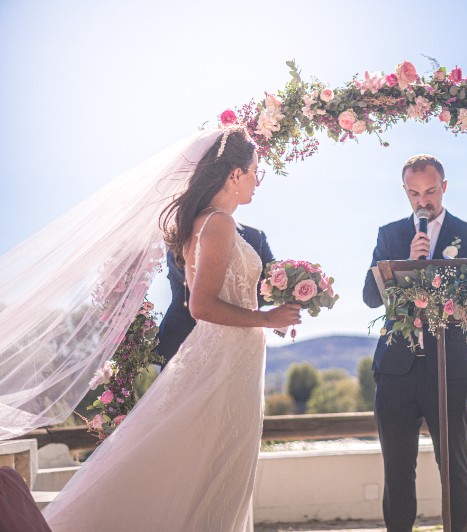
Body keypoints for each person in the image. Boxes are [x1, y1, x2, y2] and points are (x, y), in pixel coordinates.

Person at [41, 128, 302, 531]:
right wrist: (267, 319)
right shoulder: (217, 224)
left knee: (210, 466)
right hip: (224, 359)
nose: (257, 180)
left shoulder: (208, 222)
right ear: (234, 175)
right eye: (255, 171)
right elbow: (201, 305)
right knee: (216, 469)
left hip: (234, 358)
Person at [363, 154, 467, 532]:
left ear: (443, 188)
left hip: (448, 370)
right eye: (415, 193)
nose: (423, 201)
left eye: (430, 191)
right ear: (405, 192)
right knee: (398, 471)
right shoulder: (390, 235)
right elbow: (370, 296)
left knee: (453, 468)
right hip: (396, 370)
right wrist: (406, 261)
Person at [157, 221, 274, 366]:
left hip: (238, 342)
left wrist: (296, 282)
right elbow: (199, 285)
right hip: (185, 339)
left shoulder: (255, 235)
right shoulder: (182, 232)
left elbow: (273, 285)